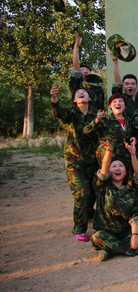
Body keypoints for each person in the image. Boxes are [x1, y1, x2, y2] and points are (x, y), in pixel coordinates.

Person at [91, 140, 138, 261]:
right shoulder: (103, 188)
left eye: (120, 166)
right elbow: (103, 174)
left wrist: (134, 235)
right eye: (114, 166)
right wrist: (109, 152)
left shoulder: (131, 191)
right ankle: (137, 250)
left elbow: (135, 215)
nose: (117, 169)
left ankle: (110, 250)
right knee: (97, 237)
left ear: (125, 172)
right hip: (107, 232)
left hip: (127, 233)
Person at [50, 84, 98, 242]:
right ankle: (79, 229)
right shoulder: (71, 113)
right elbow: (58, 112)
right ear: (75, 100)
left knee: (94, 192)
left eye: (84, 92)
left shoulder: (96, 115)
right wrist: (54, 98)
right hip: (74, 160)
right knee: (82, 192)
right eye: (78, 93)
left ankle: (89, 214)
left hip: (93, 160)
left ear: (89, 98)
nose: (81, 93)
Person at [84, 93, 134, 172]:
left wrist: (134, 138)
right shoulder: (105, 120)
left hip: (125, 157)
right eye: (114, 101)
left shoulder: (129, 121)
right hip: (108, 156)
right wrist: (96, 120)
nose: (118, 103)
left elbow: (134, 134)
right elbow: (86, 131)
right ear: (110, 106)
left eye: (121, 101)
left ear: (125, 105)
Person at [70, 31, 104, 111]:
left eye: (87, 71)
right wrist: (76, 47)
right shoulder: (77, 85)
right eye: (82, 70)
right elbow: (76, 68)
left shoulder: (97, 87)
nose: (85, 72)